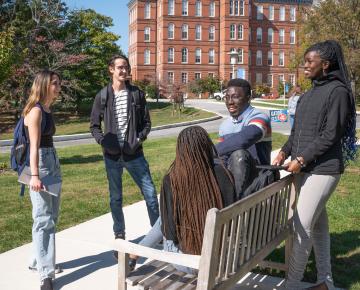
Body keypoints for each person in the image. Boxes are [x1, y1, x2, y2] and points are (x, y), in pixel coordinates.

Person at [272, 40, 357, 290]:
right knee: (318, 228)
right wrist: (285, 152)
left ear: (326, 64)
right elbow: (296, 131)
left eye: (310, 62)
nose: (305, 65)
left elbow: (331, 134)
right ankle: (325, 283)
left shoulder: (338, 92)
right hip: (304, 167)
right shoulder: (307, 95)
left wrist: (300, 159)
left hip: (324, 169)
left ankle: (292, 284)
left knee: (301, 227)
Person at [128, 126, 236, 272]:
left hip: (192, 263)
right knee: (167, 216)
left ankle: (134, 252)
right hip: (226, 258)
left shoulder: (172, 180)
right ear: (207, 146)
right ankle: (135, 252)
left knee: (165, 219)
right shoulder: (224, 174)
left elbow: (169, 231)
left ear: (180, 149)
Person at [90, 55, 159, 249]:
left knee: (151, 194)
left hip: (134, 154)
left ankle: (157, 233)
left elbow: (147, 123)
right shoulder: (102, 96)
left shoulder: (136, 94)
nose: (124, 71)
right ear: (111, 69)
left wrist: (138, 139)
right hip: (112, 157)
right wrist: (103, 142)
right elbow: (94, 126)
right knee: (115, 198)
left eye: (126, 67)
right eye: (120, 67)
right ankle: (119, 234)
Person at [24, 70, 62, 290]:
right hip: (40, 164)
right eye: (54, 83)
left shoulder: (48, 108)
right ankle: (45, 275)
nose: (58, 87)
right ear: (44, 85)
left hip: (53, 162)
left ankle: (36, 260)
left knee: (51, 217)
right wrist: (35, 175)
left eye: (59, 83)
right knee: (43, 219)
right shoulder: (36, 111)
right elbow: (33, 147)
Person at [215, 78, 272, 200]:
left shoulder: (260, 117)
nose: (230, 101)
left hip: (257, 182)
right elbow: (222, 157)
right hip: (232, 182)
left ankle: (232, 205)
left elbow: (244, 139)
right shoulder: (224, 126)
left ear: (248, 98)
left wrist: (211, 150)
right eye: (227, 97)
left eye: (235, 97)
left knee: (238, 154)